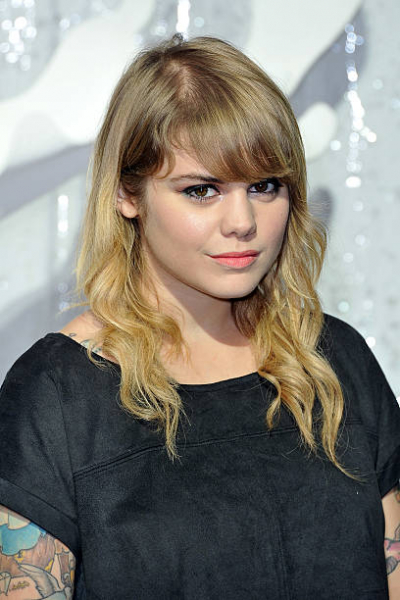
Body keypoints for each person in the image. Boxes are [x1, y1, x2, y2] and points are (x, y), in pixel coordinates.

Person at [0, 34, 399, 600]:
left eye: (264, 186)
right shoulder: (58, 394)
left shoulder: (336, 361)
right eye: (202, 190)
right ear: (127, 194)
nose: (242, 221)